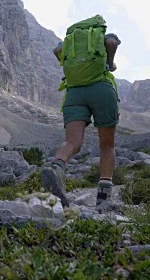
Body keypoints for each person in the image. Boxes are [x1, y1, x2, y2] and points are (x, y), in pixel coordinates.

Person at [41, 15, 121, 208]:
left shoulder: (69, 42)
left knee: (72, 142)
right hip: (101, 89)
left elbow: (57, 50)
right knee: (106, 145)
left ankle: (57, 166)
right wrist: (110, 63)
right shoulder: (102, 35)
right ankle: (103, 198)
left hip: (75, 92)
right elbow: (111, 41)